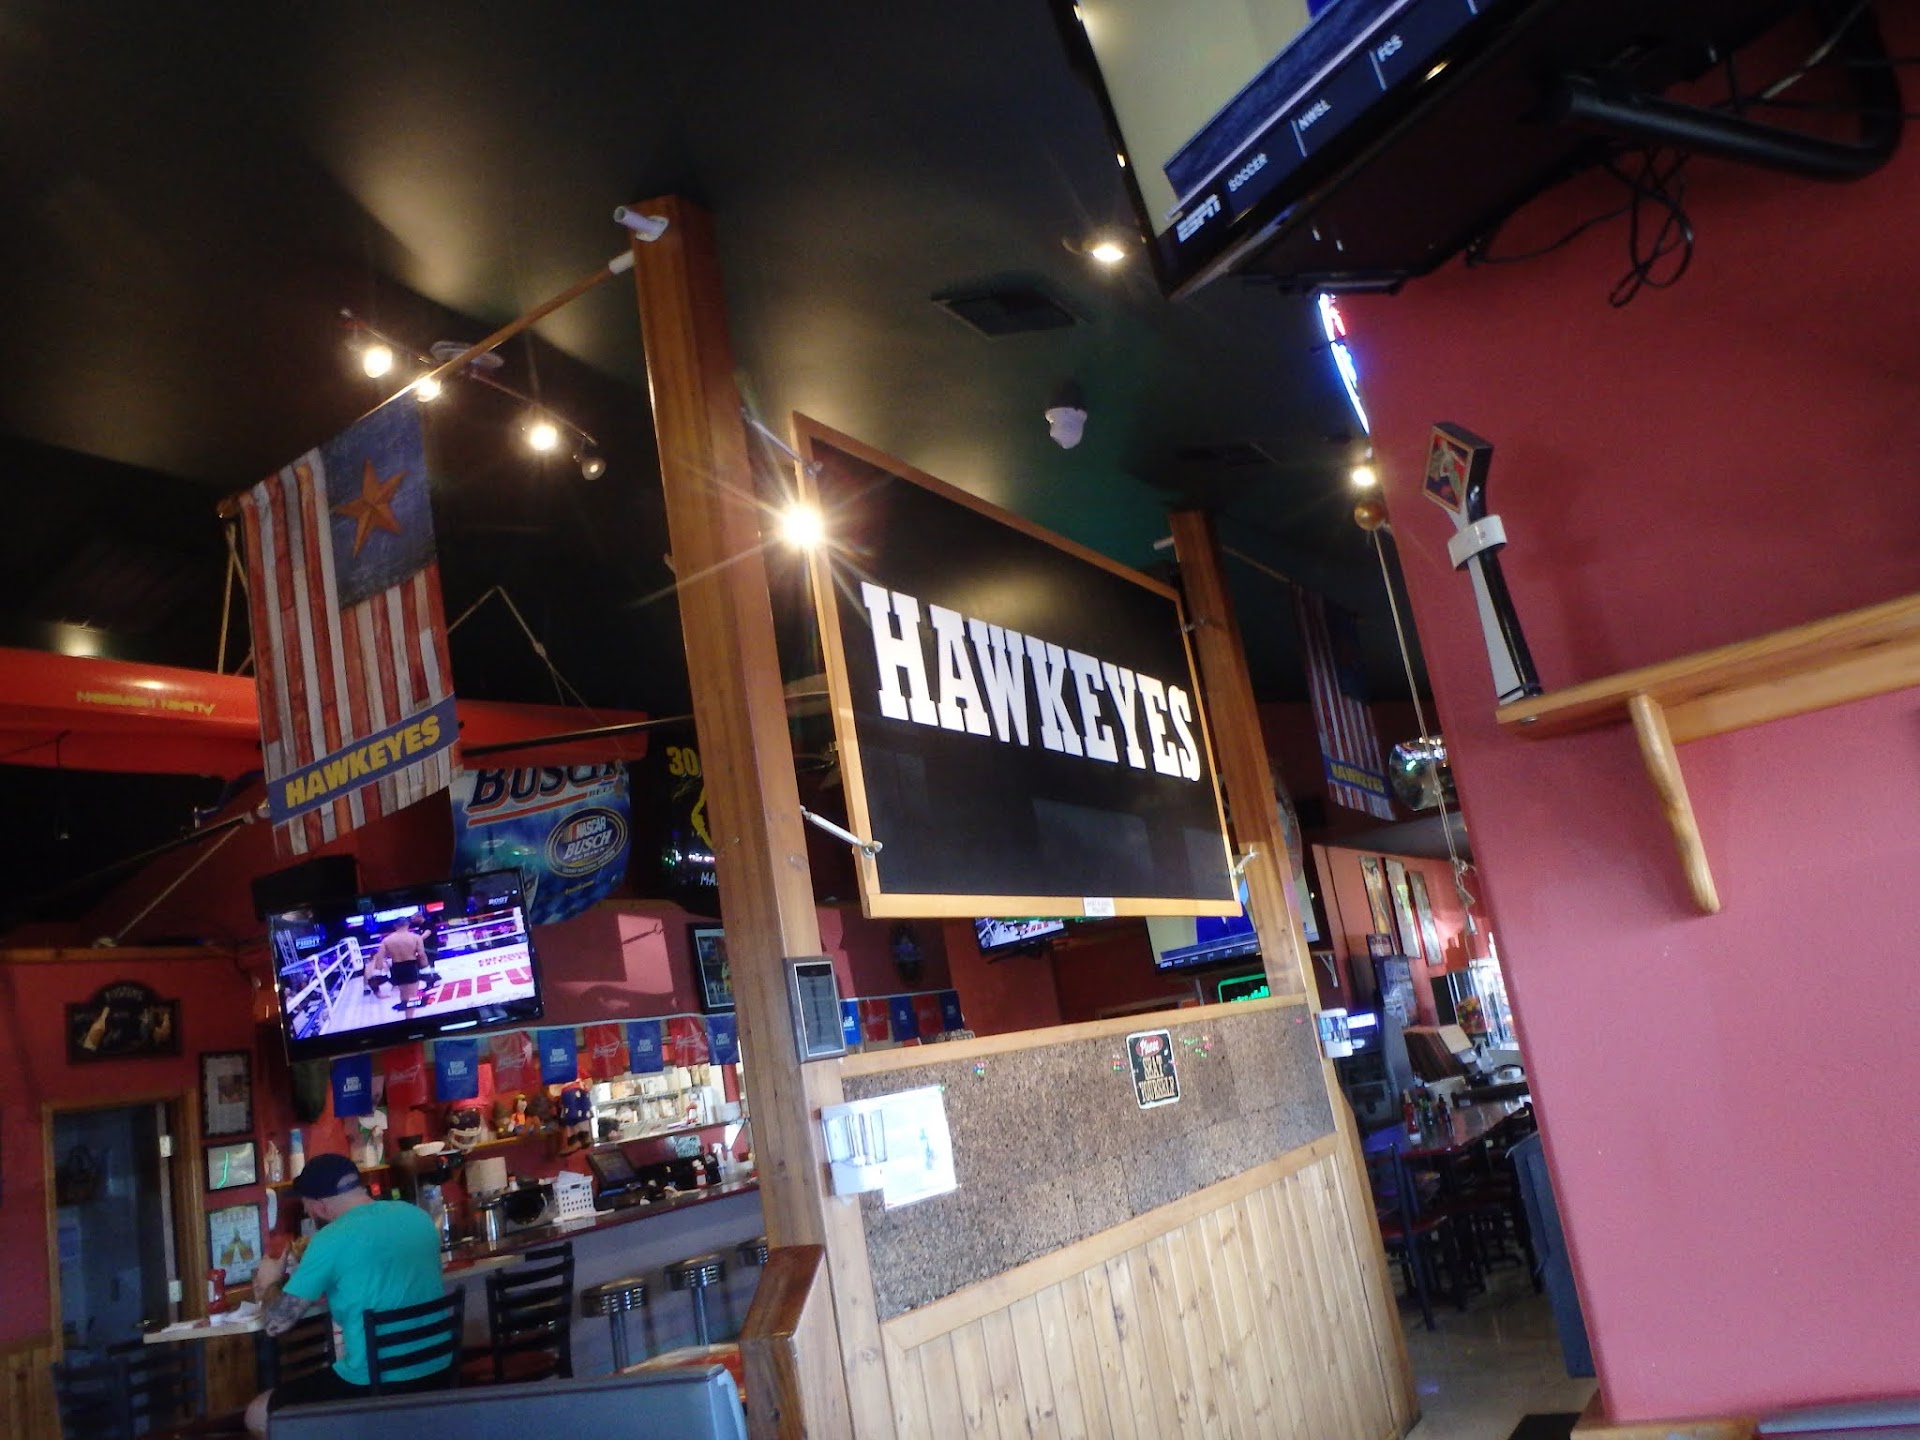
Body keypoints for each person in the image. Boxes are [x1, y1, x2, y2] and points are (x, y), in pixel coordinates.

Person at [243, 1153, 450, 1435]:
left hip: (375, 1382)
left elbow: (275, 1323)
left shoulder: (330, 1238)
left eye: (306, 1206)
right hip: (439, 1370)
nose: (308, 1213)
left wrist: (269, 1282)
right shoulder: (417, 1216)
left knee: (258, 1413)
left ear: (320, 1206)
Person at [376, 916, 429, 1012]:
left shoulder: (387, 940)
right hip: (411, 966)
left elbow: (379, 957)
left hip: (397, 967)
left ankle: (407, 1014)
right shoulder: (415, 937)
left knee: (403, 994)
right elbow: (421, 954)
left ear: (395, 926)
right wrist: (426, 969)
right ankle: (409, 1017)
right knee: (412, 995)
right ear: (408, 924)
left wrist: (378, 973)